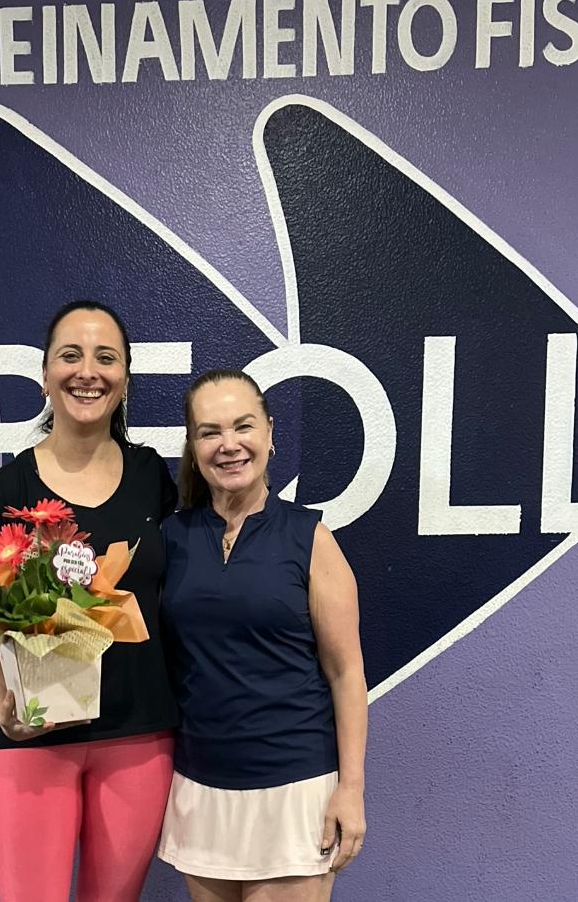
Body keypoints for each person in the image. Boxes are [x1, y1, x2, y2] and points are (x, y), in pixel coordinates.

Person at [0, 300, 178, 902]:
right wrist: (2, 707)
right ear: (45, 375)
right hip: (36, 737)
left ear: (125, 379)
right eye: (71, 356)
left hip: (139, 738)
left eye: (106, 358)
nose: (88, 372)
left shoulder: (153, 478)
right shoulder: (4, 490)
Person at [158, 369, 368, 902]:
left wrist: (351, 788)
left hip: (294, 792)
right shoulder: (171, 537)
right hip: (200, 789)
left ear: (270, 433)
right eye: (210, 432)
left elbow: (346, 674)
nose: (228, 444)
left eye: (243, 426)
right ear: (193, 447)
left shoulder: (310, 538)